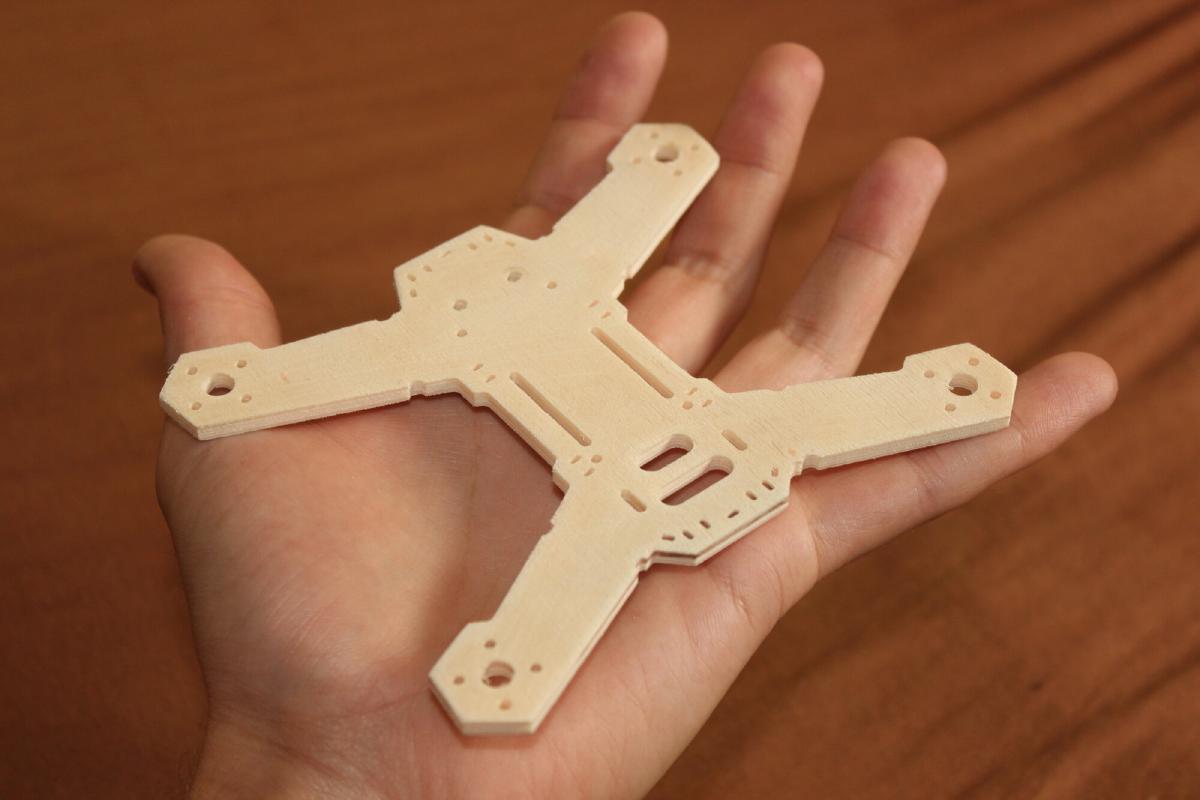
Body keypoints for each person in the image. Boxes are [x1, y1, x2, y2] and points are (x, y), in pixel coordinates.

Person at [133, 12, 1117, 799]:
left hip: (636, 436)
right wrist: (334, 766)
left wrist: (332, 772)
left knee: (639, 479)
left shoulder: (580, 359)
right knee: (632, 464)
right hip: (595, 404)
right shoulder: (525, 312)